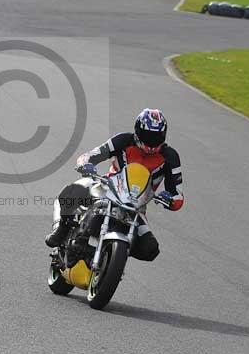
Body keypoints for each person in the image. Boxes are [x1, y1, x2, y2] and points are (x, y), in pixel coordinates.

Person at [45, 108, 184, 263]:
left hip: (135, 207)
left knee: (150, 249)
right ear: (138, 131)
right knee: (73, 191)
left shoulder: (170, 157)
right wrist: (86, 164)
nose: (151, 141)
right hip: (107, 189)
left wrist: (170, 200)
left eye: (156, 136)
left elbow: (178, 195)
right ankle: (62, 229)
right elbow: (90, 155)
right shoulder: (123, 140)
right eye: (148, 136)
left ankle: (113, 254)